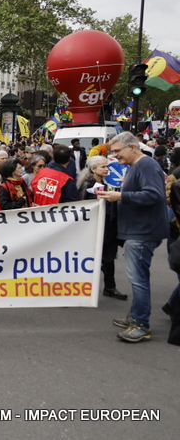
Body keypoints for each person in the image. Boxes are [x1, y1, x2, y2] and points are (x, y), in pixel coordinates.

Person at [98, 132, 169, 343]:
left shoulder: (145, 165)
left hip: (143, 232)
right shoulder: (136, 166)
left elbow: (154, 194)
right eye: (112, 152)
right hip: (138, 230)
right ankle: (136, 317)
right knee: (137, 278)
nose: (115, 156)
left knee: (138, 280)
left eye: (117, 151)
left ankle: (141, 323)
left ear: (133, 148)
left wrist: (120, 196)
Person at [77, 156, 127, 301]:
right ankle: (80, 288)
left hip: (109, 225)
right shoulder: (87, 185)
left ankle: (109, 287)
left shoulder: (106, 183)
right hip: (96, 226)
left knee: (109, 257)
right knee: (92, 258)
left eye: (106, 166)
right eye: (103, 167)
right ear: (93, 169)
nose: (106, 169)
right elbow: (83, 207)